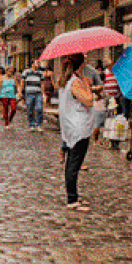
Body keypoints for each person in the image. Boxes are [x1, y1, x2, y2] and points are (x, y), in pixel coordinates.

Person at [59, 53, 94, 212]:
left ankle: (73, 196)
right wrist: (87, 85)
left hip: (74, 127)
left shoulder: (70, 81)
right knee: (74, 164)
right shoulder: (75, 83)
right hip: (78, 128)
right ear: (81, 64)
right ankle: (72, 199)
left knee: (72, 163)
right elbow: (88, 100)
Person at [21, 60, 46, 132]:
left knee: (39, 108)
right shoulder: (26, 72)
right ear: (32, 64)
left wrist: (43, 93)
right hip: (29, 93)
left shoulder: (40, 73)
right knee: (30, 109)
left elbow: (42, 84)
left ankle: (39, 125)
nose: (38, 64)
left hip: (38, 93)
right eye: (36, 63)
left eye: (38, 63)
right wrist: (20, 92)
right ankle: (31, 124)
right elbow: (22, 82)